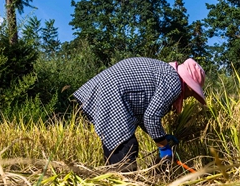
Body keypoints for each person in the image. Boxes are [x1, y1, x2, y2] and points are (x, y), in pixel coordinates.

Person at [73, 57, 206, 170]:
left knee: (116, 144)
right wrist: (164, 147)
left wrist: (162, 136)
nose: (189, 97)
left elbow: (144, 116)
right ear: (189, 85)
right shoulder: (174, 82)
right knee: (125, 146)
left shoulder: (167, 74)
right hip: (111, 94)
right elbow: (151, 117)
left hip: (105, 91)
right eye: (193, 93)